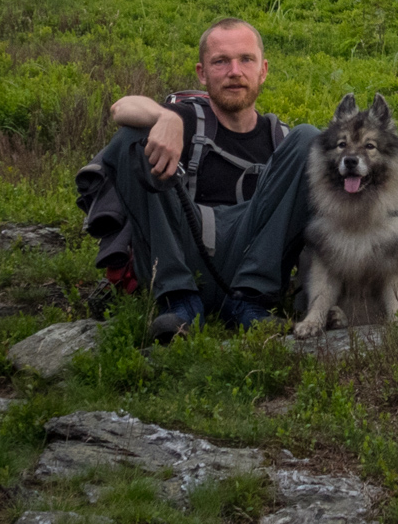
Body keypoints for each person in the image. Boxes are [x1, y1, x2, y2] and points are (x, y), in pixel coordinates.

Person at [78, 17, 320, 341]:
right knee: (132, 137)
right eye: (220, 61)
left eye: (246, 59)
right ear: (202, 73)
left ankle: (250, 303)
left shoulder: (284, 142)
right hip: (186, 252)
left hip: (252, 260)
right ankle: (179, 302)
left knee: (311, 140)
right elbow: (122, 108)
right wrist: (166, 116)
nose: (234, 71)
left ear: (263, 70)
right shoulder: (188, 118)